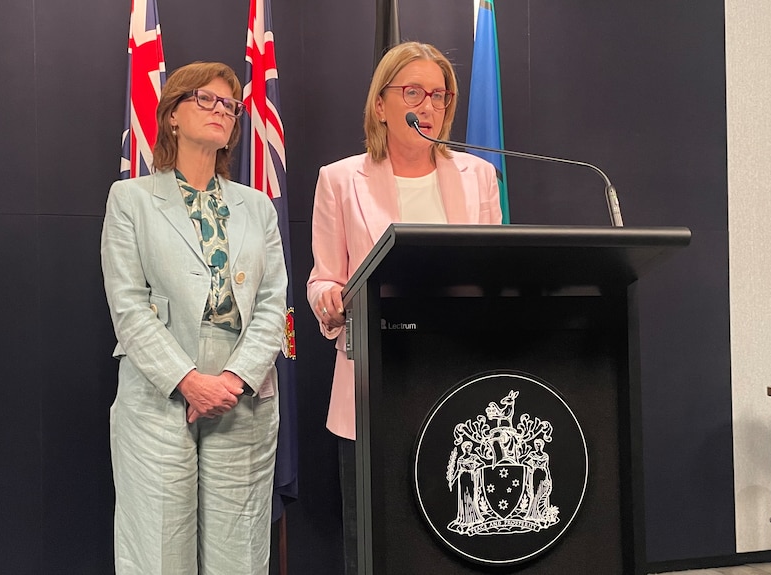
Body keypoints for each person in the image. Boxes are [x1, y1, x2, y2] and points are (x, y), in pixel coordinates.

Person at [306, 41, 503, 574]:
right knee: (377, 532)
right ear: (381, 105)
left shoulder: (479, 175)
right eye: (413, 92)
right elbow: (324, 277)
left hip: (456, 370)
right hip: (375, 374)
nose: (428, 105)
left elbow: (495, 270)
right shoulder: (339, 178)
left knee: (455, 525)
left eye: (439, 95)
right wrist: (328, 298)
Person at [101, 61, 288, 575]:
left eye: (230, 105)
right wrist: (187, 381)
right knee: (159, 553)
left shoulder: (258, 208)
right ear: (172, 115)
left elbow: (274, 304)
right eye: (206, 99)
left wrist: (233, 378)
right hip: (159, 392)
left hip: (241, 395)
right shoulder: (131, 200)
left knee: (240, 556)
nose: (221, 110)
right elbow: (128, 306)